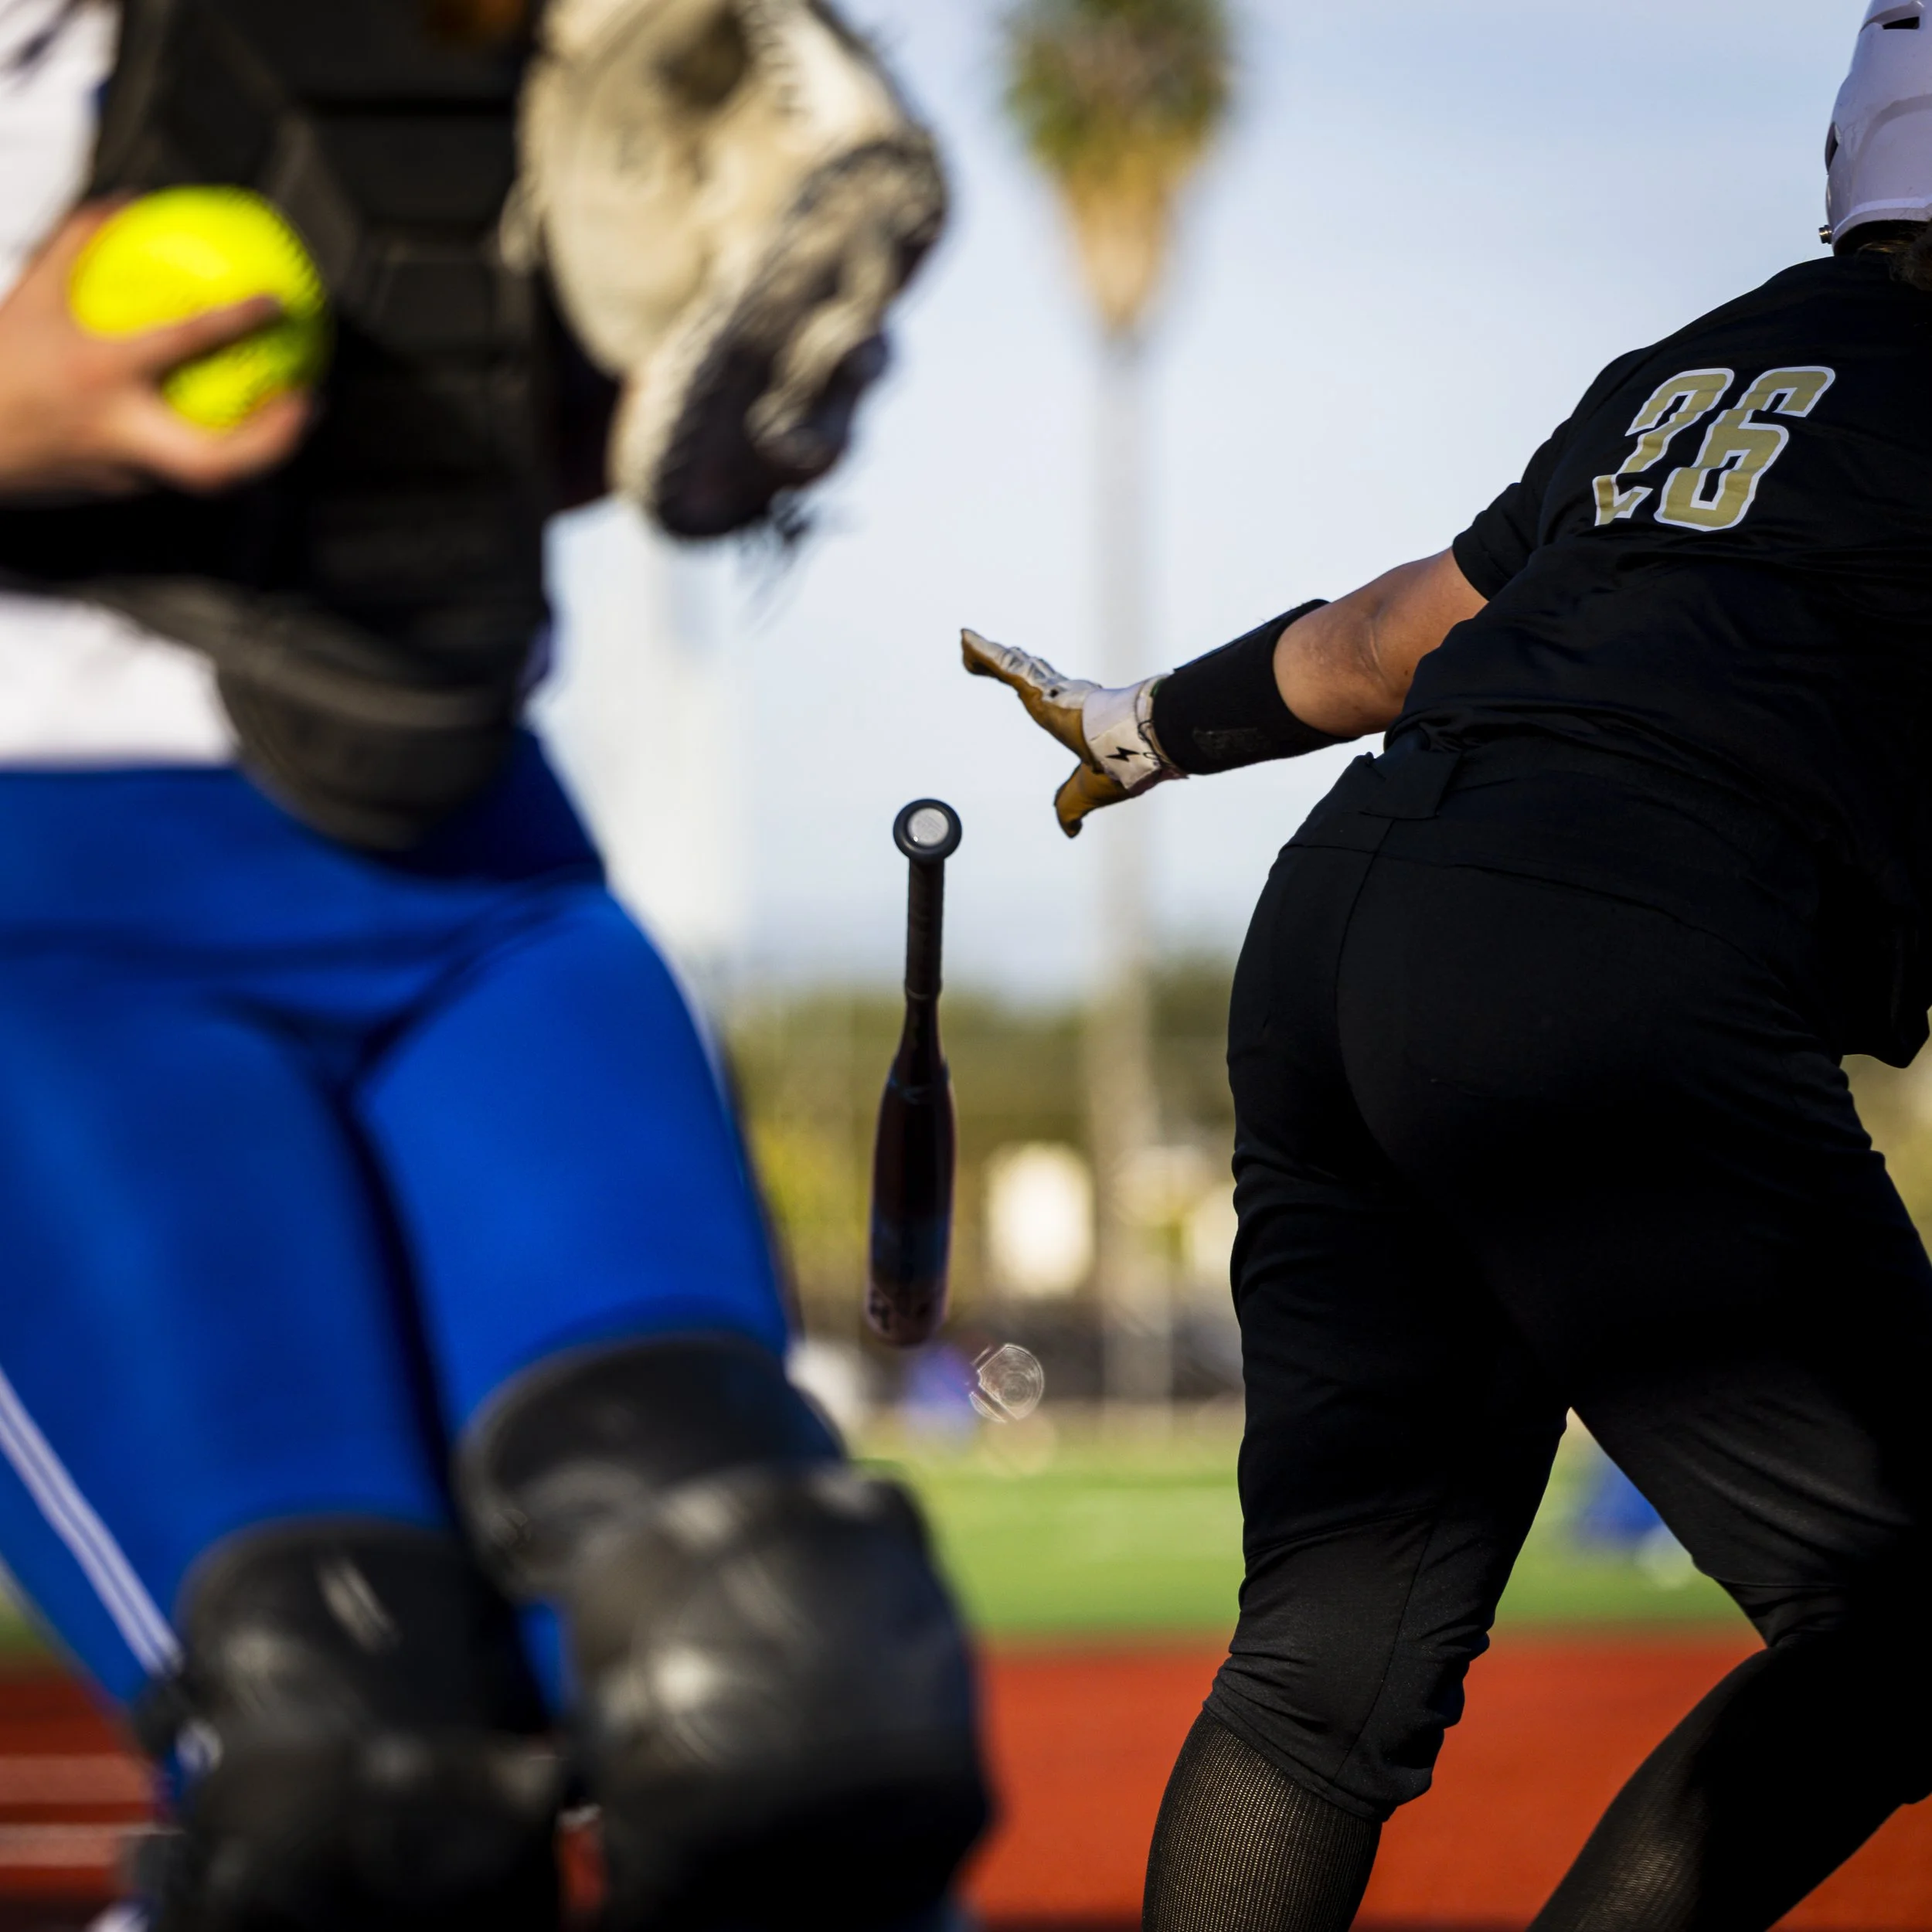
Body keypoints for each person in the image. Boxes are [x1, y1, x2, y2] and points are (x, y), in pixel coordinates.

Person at [0, 2, 984, 1930]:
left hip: (478, 878)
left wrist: (680, 377)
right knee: (358, 1778)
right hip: (60, 920)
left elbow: (450, 415)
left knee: (791, 1682)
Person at [968, 6, 1932, 1929]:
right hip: (1605, 952)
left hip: (1345, 916)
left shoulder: (1703, 356)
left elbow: (1404, 632)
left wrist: (1149, 717)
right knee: (1913, 1608)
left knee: (1322, 1673)